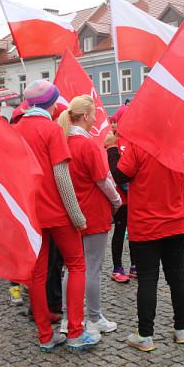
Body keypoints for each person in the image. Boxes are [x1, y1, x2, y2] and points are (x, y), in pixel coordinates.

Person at [15, 79, 100, 351]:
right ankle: (75, 332)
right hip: (58, 213)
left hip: (31, 214)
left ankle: (45, 336)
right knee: (76, 266)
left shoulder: (16, 130)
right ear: (52, 103)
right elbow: (62, 176)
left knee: (36, 275)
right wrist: (77, 216)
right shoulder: (51, 130)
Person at [112, 138, 184, 351]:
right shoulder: (178, 144)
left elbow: (120, 175)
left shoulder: (138, 145)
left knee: (148, 278)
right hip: (177, 221)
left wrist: (111, 149)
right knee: (177, 275)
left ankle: (145, 335)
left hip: (146, 224)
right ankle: (181, 330)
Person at [58, 95, 122, 335]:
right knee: (92, 268)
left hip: (70, 211)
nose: (96, 118)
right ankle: (94, 318)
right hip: (93, 212)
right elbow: (103, 180)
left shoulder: (63, 141)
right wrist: (116, 200)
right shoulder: (86, 145)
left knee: (71, 268)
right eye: (94, 114)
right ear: (85, 116)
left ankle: (67, 318)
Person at [106, 106, 134, 283]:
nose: (115, 124)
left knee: (135, 232)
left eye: (117, 120)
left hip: (134, 198)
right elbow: (112, 170)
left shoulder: (133, 140)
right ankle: (117, 267)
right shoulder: (113, 141)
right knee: (120, 232)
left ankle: (135, 265)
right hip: (121, 199)